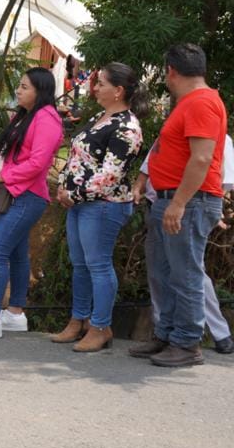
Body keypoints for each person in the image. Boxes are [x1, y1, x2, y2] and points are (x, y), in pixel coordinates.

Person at [128, 44, 227, 367]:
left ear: (171, 70)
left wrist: (179, 203)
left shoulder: (201, 104)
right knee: (165, 271)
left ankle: (186, 342)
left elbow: (201, 159)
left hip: (188, 202)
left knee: (184, 274)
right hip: (173, 199)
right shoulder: (192, 102)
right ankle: (168, 334)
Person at [52, 64, 145, 351]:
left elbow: (110, 175)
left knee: (98, 264)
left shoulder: (126, 128)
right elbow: (80, 158)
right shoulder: (100, 117)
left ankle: (100, 325)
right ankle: (78, 320)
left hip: (104, 205)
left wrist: (74, 194)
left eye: (100, 83)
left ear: (118, 91)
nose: (94, 88)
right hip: (81, 203)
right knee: (80, 264)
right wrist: (63, 185)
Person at [0, 67, 62, 342]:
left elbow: (38, 163)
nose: (18, 91)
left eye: (24, 87)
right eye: (19, 86)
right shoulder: (24, 116)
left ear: (40, 91)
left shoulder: (47, 119)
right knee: (17, 254)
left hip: (28, 195)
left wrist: (2, 175)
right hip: (15, 193)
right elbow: (1, 149)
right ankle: (16, 313)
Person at [132, 134, 234, 355]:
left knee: (189, 273)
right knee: (158, 273)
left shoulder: (216, 134)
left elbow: (221, 177)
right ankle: (163, 334)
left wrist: (213, 209)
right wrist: (139, 183)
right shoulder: (171, 129)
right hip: (156, 203)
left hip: (187, 206)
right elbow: (152, 160)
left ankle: (218, 333)